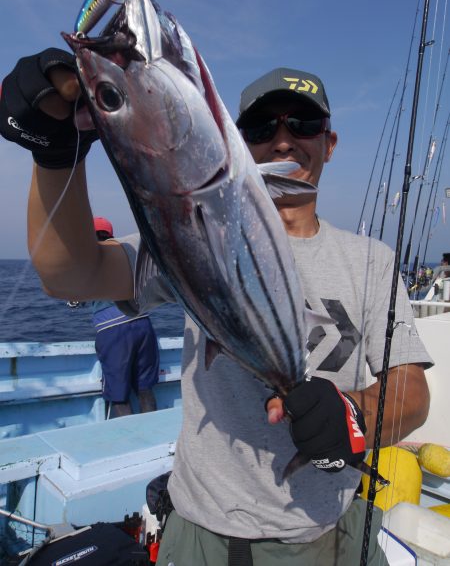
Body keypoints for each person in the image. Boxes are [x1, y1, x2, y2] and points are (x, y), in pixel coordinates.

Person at [0, 50, 432, 565]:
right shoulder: (193, 238)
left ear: (329, 142)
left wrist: (354, 412)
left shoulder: (372, 261)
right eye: (259, 126)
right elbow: (69, 273)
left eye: (305, 122)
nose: (284, 138)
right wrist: (54, 152)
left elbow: (411, 391)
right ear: (233, 140)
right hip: (203, 536)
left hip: (329, 533)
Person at [92, 216, 160, 417]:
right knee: (145, 388)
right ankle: (153, 436)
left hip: (112, 330)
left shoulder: (90, 259)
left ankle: (133, 440)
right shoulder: (126, 253)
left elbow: (75, 297)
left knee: (119, 396)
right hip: (142, 322)